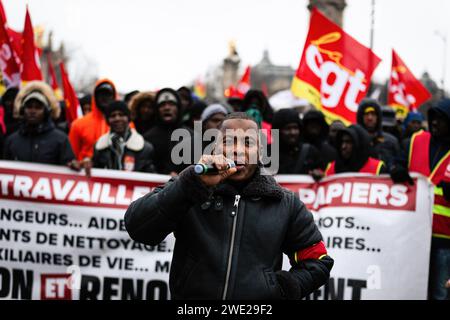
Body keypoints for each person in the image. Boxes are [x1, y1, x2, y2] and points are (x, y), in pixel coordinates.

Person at [125, 112, 333, 299]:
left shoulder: (284, 203)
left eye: (248, 143)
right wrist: (190, 187)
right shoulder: (191, 186)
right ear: (215, 147)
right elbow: (138, 228)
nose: (238, 150)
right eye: (228, 141)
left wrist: (282, 289)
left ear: (260, 151)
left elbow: (318, 261)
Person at [404, 99, 450, 300]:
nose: (435, 123)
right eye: (433, 118)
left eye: (441, 119)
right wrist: (396, 169)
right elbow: (400, 163)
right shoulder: (417, 141)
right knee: (412, 289)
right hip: (415, 234)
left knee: (440, 294)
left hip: (444, 239)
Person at [3, 81, 75, 165]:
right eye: (29, 107)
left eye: (38, 107)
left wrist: (74, 165)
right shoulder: (11, 141)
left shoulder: (61, 139)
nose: (33, 111)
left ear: (47, 111)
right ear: (23, 110)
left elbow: (69, 168)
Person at [92, 101, 155, 173]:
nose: (117, 119)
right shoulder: (99, 146)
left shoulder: (145, 148)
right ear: (108, 121)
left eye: (121, 115)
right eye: (113, 116)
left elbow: (150, 176)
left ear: (128, 118)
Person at [144, 88, 193, 175]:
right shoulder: (148, 138)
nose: (167, 108)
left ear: (178, 108)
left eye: (171, 104)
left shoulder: (192, 136)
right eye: (162, 105)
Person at [69, 79, 117, 164]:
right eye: (101, 94)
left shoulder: (124, 125)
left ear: (114, 96)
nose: (104, 97)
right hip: (85, 174)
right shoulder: (78, 124)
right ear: (95, 96)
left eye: (108, 94)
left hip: (113, 174)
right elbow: (71, 157)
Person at [272, 108, 323, 176]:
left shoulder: (310, 152)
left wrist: (319, 174)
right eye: (287, 128)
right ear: (278, 131)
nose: (292, 132)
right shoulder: (267, 154)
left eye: (295, 128)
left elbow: (323, 173)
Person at [356, 99, 401, 169]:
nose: (369, 118)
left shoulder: (391, 141)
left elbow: (399, 164)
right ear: (360, 117)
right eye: (366, 114)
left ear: (378, 117)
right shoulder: (353, 140)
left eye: (373, 114)